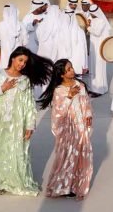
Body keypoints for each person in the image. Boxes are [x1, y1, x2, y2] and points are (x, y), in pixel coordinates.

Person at [0, 46, 52, 196]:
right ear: (13, 58)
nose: (22, 64)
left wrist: (30, 125)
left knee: (16, 150)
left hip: (17, 123)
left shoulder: (24, 81)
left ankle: (15, 180)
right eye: (20, 60)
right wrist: (2, 88)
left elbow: (29, 105)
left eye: (25, 62)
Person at [39, 59, 93, 200]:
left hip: (81, 126)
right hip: (68, 129)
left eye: (71, 67)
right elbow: (58, 112)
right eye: (68, 69)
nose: (72, 70)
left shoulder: (80, 85)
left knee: (81, 154)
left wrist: (88, 114)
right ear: (62, 74)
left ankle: (76, 184)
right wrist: (69, 96)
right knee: (68, 156)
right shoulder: (59, 91)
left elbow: (86, 102)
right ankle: (62, 186)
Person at [86, 4, 111, 96]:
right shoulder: (93, 19)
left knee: (99, 68)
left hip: (100, 48)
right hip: (93, 48)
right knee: (92, 67)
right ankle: (92, 88)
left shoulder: (101, 21)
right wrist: (89, 25)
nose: (90, 15)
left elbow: (97, 32)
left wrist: (88, 27)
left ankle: (100, 90)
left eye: (91, 13)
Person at [0, 3, 23, 68]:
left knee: (6, 74)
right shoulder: (21, 25)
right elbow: (25, 42)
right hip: (19, 56)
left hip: (5, 58)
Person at [63, 10, 89, 76]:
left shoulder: (62, 32)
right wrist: (85, 65)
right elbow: (84, 50)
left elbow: (84, 49)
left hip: (67, 66)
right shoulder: (81, 32)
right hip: (77, 64)